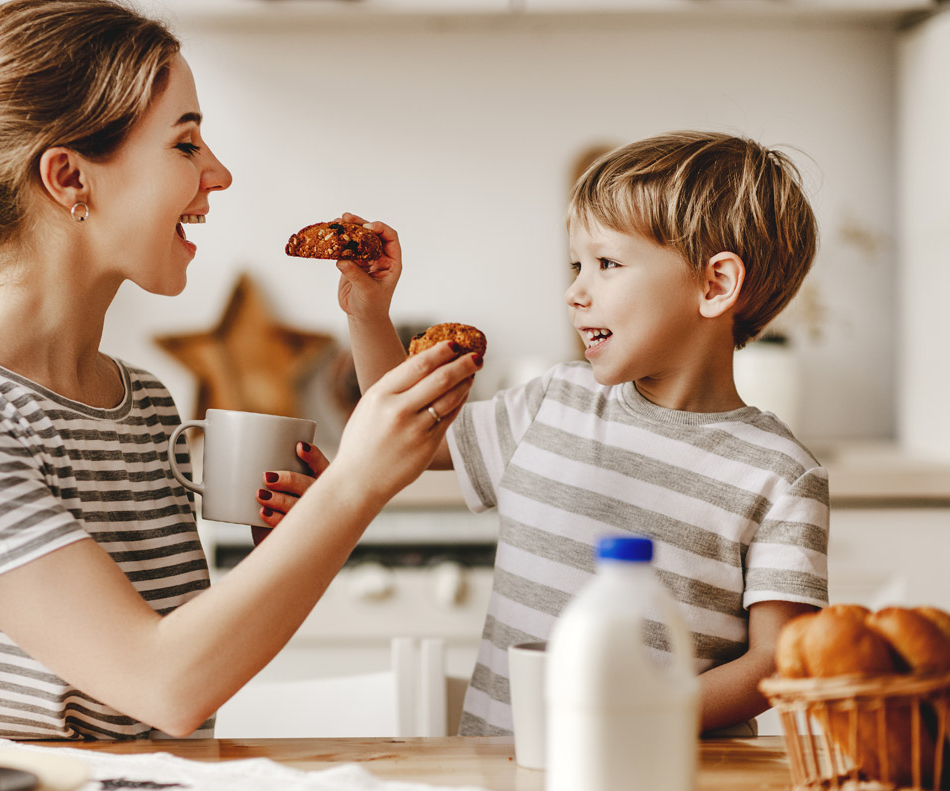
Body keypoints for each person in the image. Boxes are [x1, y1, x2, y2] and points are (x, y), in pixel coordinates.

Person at [0, 0, 481, 741]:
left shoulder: (138, 404)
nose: (219, 173)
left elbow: (171, 695)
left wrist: (298, 542)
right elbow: (161, 684)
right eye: (185, 143)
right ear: (70, 178)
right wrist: (355, 486)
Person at [333, 131, 829, 737]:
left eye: (607, 263)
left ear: (715, 285)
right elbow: (401, 431)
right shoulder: (553, 402)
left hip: (661, 778)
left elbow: (776, 660)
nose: (575, 291)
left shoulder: (781, 473)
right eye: (577, 265)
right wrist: (368, 314)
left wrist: (635, 722)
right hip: (504, 774)